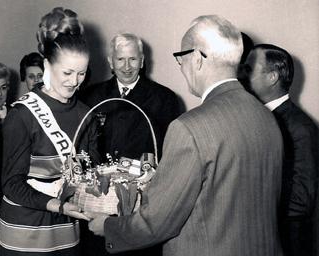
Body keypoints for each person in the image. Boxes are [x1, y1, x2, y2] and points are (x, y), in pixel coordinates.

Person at [88, 15, 284, 256]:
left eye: (181, 58)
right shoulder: (266, 117)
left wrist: (108, 227)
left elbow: (157, 221)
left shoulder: (189, 128)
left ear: (198, 58)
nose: (181, 66)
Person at [0, 7, 99, 255]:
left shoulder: (87, 114)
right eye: (67, 72)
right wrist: (58, 205)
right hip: (25, 229)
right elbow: (11, 184)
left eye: (81, 73)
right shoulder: (22, 115)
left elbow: (90, 170)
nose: (74, 82)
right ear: (46, 65)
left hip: (66, 227)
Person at [244, 44, 319, 256]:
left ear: (272, 77)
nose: (241, 74)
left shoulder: (301, 128)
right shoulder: (255, 118)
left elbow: (301, 201)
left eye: (249, 69)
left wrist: (247, 209)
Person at [80, 33, 180, 161]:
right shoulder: (91, 96)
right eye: (120, 59)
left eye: (133, 59)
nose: (127, 67)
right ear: (111, 62)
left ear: (142, 61)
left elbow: (171, 151)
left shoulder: (165, 99)